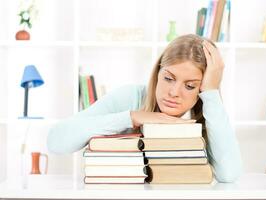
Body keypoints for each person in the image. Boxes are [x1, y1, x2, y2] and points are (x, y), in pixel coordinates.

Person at [47, 34, 242, 183]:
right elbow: (56, 141)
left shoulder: (209, 112)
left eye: (190, 86)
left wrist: (212, 94)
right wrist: (132, 117)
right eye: (168, 78)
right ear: (157, 73)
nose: (174, 92)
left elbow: (229, 174)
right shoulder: (130, 97)